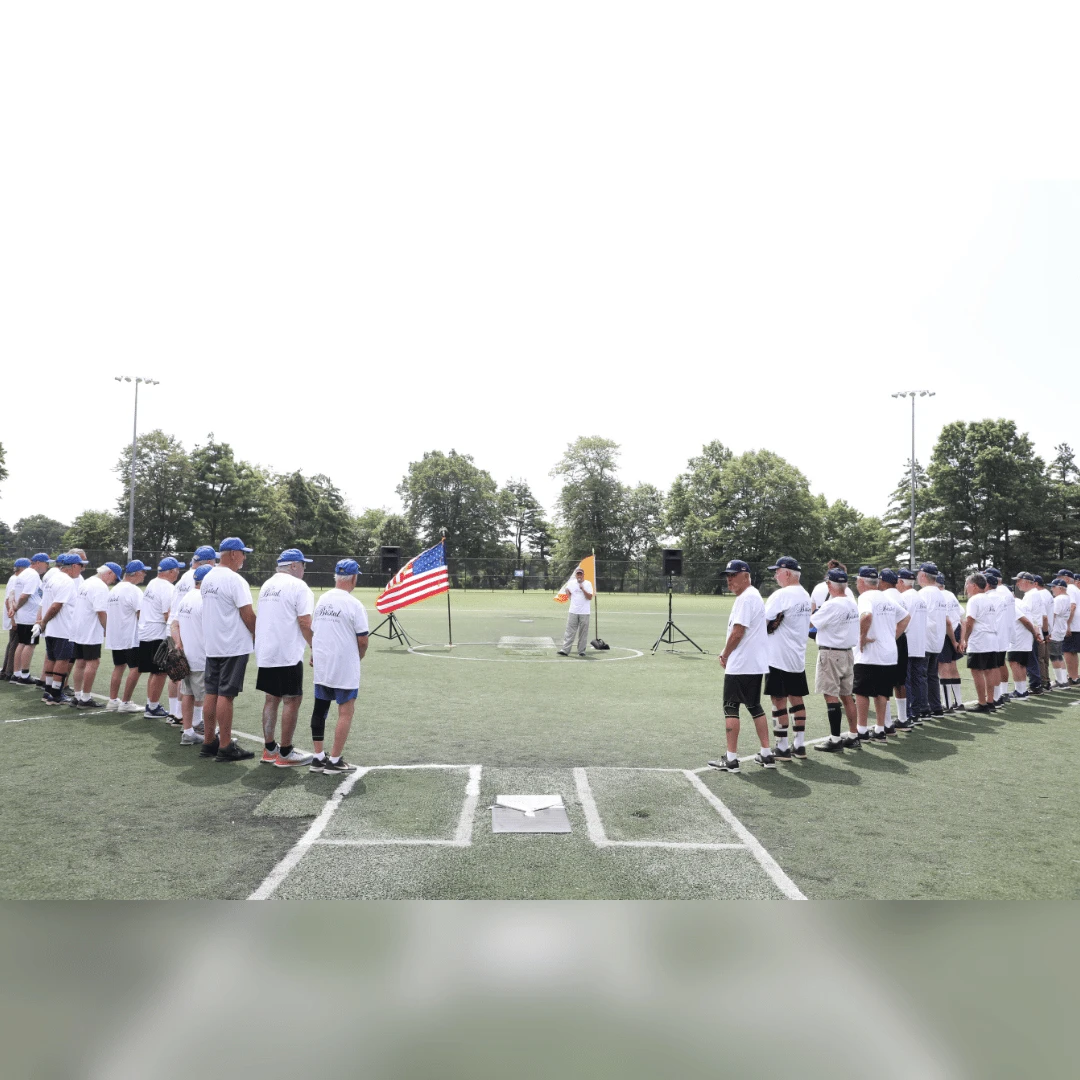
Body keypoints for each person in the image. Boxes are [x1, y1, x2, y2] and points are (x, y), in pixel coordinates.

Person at [708, 560, 774, 772]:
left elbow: (738, 632)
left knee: (730, 708)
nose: (729, 579)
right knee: (755, 707)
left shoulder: (746, 598)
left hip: (741, 664)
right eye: (727, 575)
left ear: (746, 576)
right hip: (754, 664)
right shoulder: (752, 595)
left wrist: (725, 653)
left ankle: (731, 759)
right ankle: (766, 754)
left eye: (733, 575)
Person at [255, 548, 316, 768]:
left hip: (266, 650)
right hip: (287, 653)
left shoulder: (267, 585)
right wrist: (314, 647)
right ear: (293, 566)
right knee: (292, 699)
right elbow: (305, 622)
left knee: (271, 698)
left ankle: (270, 749)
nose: (304, 570)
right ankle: (286, 752)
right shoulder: (299, 587)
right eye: (302, 565)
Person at [308, 559, 369, 774]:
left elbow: (315, 631)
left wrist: (315, 653)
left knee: (320, 708)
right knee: (345, 711)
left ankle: (317, 757)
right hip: (343, 665)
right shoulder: (354, 604)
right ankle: (334, 761)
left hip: (323, 663)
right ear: (353, 578)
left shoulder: (323, 599)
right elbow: (363, 640)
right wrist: (358, 657)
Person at [199, 537, 257, 763]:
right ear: (233, 553)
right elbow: (248, 614)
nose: (244, 558)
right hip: (232, 644)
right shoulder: (235, 580)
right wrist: (258, 635)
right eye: (243, 553)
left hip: (213, 644)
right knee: (226, 695)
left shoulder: (208, 577)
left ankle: (208, 742)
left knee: (212, 692)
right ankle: (225, 745)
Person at [762, 556, 812, 761]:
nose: (775, 575)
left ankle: (782, 747)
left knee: (779, 700)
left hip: (778, 655)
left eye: (777, 571)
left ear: (788, 573)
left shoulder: (781, 595)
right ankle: (799, 745)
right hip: (797, 655)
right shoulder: (805, 595)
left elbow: (764, 622)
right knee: (796, 698)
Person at [854, 566, 910, 744]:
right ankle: (879, 729)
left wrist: (862, 637)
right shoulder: (885, 598)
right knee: (882, 693)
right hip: (889, 653)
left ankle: (862, 730)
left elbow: (866, 616)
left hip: (871, 653)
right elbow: (905, 617)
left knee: (862, 693)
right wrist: (892, 636)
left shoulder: (865, 597)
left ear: (862, 582)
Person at [808, 567, 861, 751]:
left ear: (829, 584)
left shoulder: (832, 605)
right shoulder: (852, 603)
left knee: (831, 696)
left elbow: (811, 623)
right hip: (847, 652)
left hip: (831, 653)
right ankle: (853, 735)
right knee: (847, 696)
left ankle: (835, 739)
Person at [165, 545, 217, 719]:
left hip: (178, 628)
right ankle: (192, 721)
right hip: (190, 635)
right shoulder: (198, 588)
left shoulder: (186, 578)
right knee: (197, 688)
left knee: (181, 680)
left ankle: (177, 715)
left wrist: (177, 641)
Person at [131, 556, 184, 720]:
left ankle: (151, 704)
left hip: (147, 631)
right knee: (159, 672)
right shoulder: (167, 587)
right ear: (171, 571)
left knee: (155, 672)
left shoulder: (153, 583)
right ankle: (152, 706)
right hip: (157, 633)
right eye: (177, 570)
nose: (178, 574)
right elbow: (167, 614)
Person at [169, 564, 213, 746]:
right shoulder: (205, 599)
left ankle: (188, 731)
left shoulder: (187, 597)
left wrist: (179, 644)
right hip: (203, 655)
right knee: (209, 697)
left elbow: (174, 624)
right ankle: (210, 735)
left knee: (187, 693)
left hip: (187, 655)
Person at [69, 561, 122, 708]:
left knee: (80, 662)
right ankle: (85, 698)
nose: (113, 582)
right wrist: (107, 629)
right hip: (90, 629)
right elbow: (101, 612)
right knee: (93, 662)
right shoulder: (100, 587)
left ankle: (78, 695)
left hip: (79, 627)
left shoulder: (86, 582)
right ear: (109, 573)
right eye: (114, 578)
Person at [36, 553, 86, 704]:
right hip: (62, 627)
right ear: (74, 566)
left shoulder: (53, 579)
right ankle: (56, 694)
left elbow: (46, 603)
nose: (82, 569)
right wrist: (43, 622)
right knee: (62, 660)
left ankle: (49, 691)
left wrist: (42, 622)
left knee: (52, 658)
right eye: (81, 565)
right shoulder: (67, 581)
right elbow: (56, 605)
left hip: (52, 628)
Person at [105, 561, 147, 711]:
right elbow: (141, 614)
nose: (145, 575)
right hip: (130, 636)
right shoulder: (134, 590)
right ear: (136, 573)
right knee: (136, 668)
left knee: (119, 666)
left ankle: (113, 700)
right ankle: (126, 702)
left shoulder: (114, 590)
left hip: (116, 635)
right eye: (143, 572)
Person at [959, 572, 1001, 713]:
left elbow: (970, 622)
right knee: (990, 670)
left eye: (968, 585)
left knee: (977, 671)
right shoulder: (989, 599)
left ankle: (982, 703)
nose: (966, 588)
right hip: (992, 638)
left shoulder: (974, 600)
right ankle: (990, 701)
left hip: (980, 639)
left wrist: (965, 639)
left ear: (974, 586)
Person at [878, 569, 913, 733]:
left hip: (891, 639)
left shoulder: (886, 596)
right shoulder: (900, 595)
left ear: (884, 582)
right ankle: (903, 719)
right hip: (902, 639)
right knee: (900, 681)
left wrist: (891, 637)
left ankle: (886, 723)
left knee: (885, 681)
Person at [9, 553, 50, 685]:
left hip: (23, 615)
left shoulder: (23, 574)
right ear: (38, 562)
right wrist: (15, 608)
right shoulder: (32, 575)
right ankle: (24, 675)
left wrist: (15, 608)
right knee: (30, 644)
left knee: (22, 643)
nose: (47, 566)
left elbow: (15, 594)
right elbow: (24, 595)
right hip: (30, 615)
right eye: (46, 563)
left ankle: (17, 674)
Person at [896, 568, 929, 723]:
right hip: (920, 642)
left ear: (901, 582)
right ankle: (918, 711)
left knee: (906, 680)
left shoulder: (904, 598)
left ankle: (908, 712)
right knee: (918, 679)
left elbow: (903, 620)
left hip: (907, 642)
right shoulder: (919, 597)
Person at [918, 562, 947, 717]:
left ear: (923, 575)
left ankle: (923, 707)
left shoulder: (924, 593)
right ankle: (936, 706)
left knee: (922, 675)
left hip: (925, 639)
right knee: (932, 675)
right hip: (937, 639)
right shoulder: (939, 593)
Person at [1016, 572, 1050, 695]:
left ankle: (1035, 685)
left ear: (1026, 581)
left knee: (1031, 658)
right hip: (1037, 629)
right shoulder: (1035, 594)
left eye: (1019, 581)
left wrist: (1036, 632)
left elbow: (1028, 616)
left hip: (1033, 630)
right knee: (1034, 658)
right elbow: (1043, 616)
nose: (1017, 584)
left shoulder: (1030, 595)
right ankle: (1038, 683)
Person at [984, 568, 1014, 705]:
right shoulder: (1004, 593)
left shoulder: (994, 595)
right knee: (999, 664)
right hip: (1004, 632)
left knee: (993, 667)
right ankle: (1001, 694)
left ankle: (996, 696)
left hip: (995, 634)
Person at [936, 572, 965, 712]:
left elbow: (946, 621)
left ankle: (947, 705)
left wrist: (953, 641)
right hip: (956, 629)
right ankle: (958, 702)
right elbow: (961, 617)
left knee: (944, 668)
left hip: (947, 633)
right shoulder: (950, 594)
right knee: (953, 667)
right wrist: (962, 639)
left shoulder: (939, 596)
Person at [1006, 587, 1042, 700]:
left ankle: (1020, 691)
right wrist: (1035, 632)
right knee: (1021, 664)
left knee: (1015, 663)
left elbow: (1025, 620)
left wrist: (1034, 633)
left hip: (1017, 638)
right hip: (1024, 638)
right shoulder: (1021, 602)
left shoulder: (1012, 604)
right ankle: (1022, 690)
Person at [2, 558, 31, 680]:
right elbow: (9, 600)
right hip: (16, 618)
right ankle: (10, 672)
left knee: (13, 643)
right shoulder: (16, 580)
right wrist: (13, 620)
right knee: (16, 644)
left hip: (15, 616)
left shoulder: (15, 579)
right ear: (23, 568)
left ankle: (6, 671)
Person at [557, 566, 594, 657]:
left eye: (581, 574)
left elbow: (589, 597)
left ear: (583, 575)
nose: (579, 576)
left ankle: (581, 650)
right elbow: (567, 590)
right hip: (573, 611)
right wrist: (570, 597)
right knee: (569, 631)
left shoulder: (588, 584)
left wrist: (583, 589)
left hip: (584, 612)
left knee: (583, 632)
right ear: (576, 575)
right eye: (578, 574)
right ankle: (565, 650)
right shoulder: (572, 583)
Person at [1057, 569, 1080, 685]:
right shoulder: (1075, 588)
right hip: (1077, 624)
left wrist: (1067, 624)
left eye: (1059, 577)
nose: (1057, 580)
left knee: (1068, 651)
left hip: (1073, 624)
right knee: (1072, 652)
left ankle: (1072, 677)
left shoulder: (1069, 589)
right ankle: (1074, 676)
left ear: (1066, 579)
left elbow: (1072, 606)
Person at [1048, 578, 1072, 687]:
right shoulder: (1067, 598)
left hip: (1055, 630)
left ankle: (1060, 680)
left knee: (1054, 656)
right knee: (1058, 655)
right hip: (1061, 628)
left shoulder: (1059, 599)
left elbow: (1053, 614)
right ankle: (1063, 679)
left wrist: (1047, 629)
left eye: (1053, 587)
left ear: (1060, 588)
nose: (1052, 589)